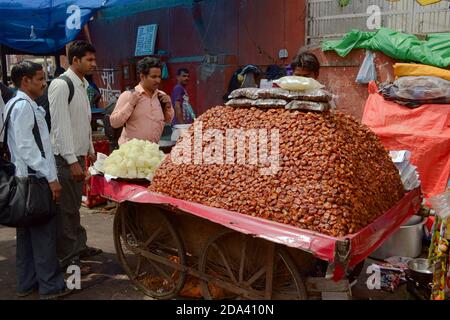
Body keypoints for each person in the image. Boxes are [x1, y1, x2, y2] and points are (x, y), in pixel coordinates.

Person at [4, 61, 71, 299]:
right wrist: (51, 178)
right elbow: (27, 148)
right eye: (40, 79)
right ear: (25, 81)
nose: (44, 83)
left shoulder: (14, 104)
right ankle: (51, 286)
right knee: (43, 235)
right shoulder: (24, 106)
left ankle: (27, 283)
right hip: (35, 180)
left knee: (26, 235)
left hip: (24, 179)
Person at [48, 41, 102, 271]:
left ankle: (78, 248)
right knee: (67, 211)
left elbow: (82, 122)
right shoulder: (62, 85)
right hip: (65, 159)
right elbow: (59, 127)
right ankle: (68, 259)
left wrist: (89, 150)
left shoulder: (82, 84)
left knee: (73, 208)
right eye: (89, 60)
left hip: (78, 156)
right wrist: (71, 161)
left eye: (93, 59)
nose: (93, 64)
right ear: (75, 60)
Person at [110, 57, 174, 145]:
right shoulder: (128, 95)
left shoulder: (161, 96)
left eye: (159, 77)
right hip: (130, 153)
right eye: (153, 77)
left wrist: (169, 106)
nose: (158, 80)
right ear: (142, 76)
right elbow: (114, 123)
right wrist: (130, 104)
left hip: (152, 151)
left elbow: (168, 120)